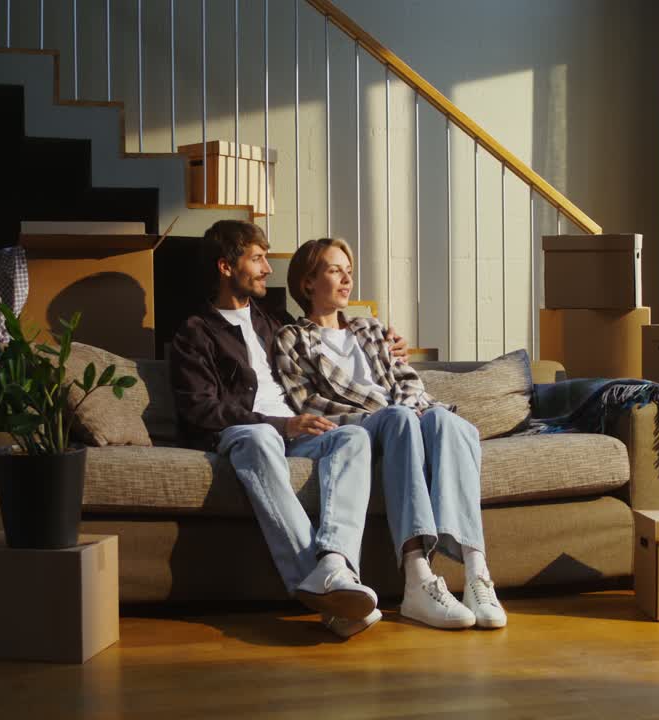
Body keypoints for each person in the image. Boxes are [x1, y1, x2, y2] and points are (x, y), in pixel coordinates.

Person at [169, 220, 409, 638]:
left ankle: (335, 564)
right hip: (245, 433)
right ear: (226, 267)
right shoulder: (195, 332)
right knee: (260, 438)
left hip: (294, 433)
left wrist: (385, 343)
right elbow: (201, 409)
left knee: (351, 436)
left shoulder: (273, 321)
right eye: (257, 259)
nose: (267, 269)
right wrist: (279, 423)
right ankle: (317, 582)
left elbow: (327, 331)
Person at [274, 237, 507, 630]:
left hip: (405, 413)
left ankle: (476, 574)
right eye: (335, 270)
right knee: (399, 417)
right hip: (364, 424)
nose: (347, 279)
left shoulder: (370, 329)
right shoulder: (293, 338)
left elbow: (407, 380)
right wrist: (389, 412)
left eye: (349, 271)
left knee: (450, 423)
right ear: (308, 282)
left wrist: (416, 408)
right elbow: (308, 404)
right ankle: (417, 579)